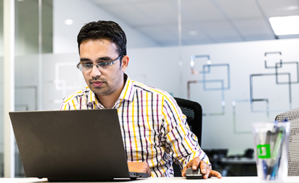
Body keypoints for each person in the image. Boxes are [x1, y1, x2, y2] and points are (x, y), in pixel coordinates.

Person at [60, 20, 222, 179]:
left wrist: (197, 163)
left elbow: (192, 156)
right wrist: (125, 167)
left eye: (104, 63)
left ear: (123, 63)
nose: (94, 73)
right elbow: (60, 164)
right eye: (87, 64)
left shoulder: (160, 103)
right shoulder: (72, 105)